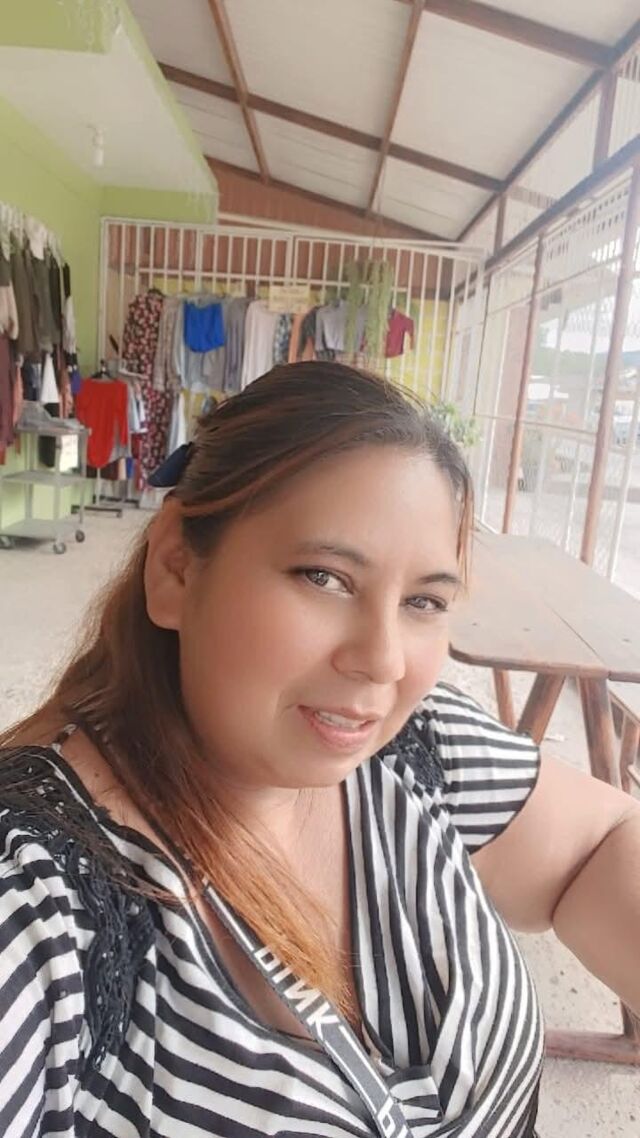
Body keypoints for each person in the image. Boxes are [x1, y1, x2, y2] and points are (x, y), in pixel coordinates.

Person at [0, 361, 638, 1138]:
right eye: (325, 578)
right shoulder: (39, 900)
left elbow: (597, 844)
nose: (383, 661)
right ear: (176, 568)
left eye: (424, 601)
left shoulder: (412, 746)